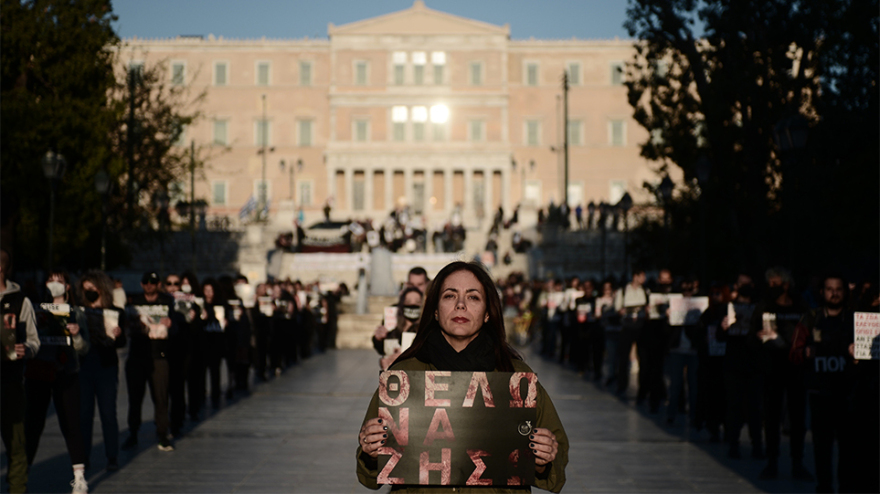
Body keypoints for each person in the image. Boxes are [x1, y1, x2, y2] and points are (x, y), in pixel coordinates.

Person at [356, 261, 568, 492]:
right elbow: (370, 475)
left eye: (473, 297)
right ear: (435, 310)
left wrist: (543, 460)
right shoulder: (403, 376)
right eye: (450, 296)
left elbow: (556, 462)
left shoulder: (516, 378)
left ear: (487, 313)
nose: (460, 305)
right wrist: (371, 451)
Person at [26, 271, 90, 492]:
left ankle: (79, 477)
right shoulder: (35, 310)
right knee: (32, 424)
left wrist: (77, 335)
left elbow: (84, 348)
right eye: (51, 280)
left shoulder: (76, 313)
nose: (55, 284)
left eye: (60, 281)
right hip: (39, 372)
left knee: (71, 424)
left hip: (66, 371)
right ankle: (21, 475)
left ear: (67, 286)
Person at [790, 275, 855, 493]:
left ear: (845, 292)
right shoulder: (811, 318)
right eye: (829, 289)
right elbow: (794, 351)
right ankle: (824, 487)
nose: (834, 293)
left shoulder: (854, 319)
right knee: (822, 447)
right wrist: (804, 353)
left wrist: (860, 354)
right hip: (820, 393)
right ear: (821, 292)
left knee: (848, 447)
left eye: (838, 289)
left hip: (848, 393)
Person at [752, 267, 812, 480]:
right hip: (772, 368)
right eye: (770, 284)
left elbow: (809, 331)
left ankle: (797, 461)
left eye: (776, 284)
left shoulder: (800, 305)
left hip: (796, 368)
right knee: (772, 417)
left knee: (797, 418)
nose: (772, 288)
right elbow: (752, 334)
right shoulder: (764, 306)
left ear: (786, 284)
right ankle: (772, 461)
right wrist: (758, 336)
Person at [0, 249, 40, 494]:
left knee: (15, 442)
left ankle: (17, 489)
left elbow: (35, 341)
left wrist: (27, 348)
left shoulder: (20, 301)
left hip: (10, 381)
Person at [122, 271, 176, 452]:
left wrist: (170, 324)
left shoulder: (167, 301)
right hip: (137, 355)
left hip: (159, 355)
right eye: (146, 282)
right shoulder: (134, 302)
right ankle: (133, 433)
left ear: (158, 284)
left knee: (161, 397)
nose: (149, 285)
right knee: (135, 398)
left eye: (153, 282)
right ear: (141, 284)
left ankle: (162, 434)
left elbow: (175, 327)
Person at [78, 271, 126, 473]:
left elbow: (122, 342)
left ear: (101, 289)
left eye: (92, 288)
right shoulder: (79, 311)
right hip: (84, 367)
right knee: (84, 414)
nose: (89, 292)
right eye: (85, 289)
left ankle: (112, 456)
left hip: (106, 367)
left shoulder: (116, 312)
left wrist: (119, 334)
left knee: (108, 413)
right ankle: (83, 457)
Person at [613, 269, 648, 397]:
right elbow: (618, 309)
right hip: (627, 327)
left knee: (643, 358)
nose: (644, 279)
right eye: (642, 276)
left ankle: (643, 389)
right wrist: (625, 311)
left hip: (641, 327)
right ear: (635, 276)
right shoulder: (623, 291)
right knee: (623, 358)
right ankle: (622, 385)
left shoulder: (645, 291)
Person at [372, 286, 423, 370]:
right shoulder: (393, 323)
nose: (413, 305)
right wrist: (378, 339)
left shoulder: (425, 328)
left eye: (418, 302)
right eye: (408, 301)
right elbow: (382, 350)